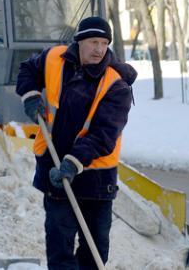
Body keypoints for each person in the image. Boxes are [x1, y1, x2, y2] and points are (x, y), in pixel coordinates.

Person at [15, 16, 136, 269]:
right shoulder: (54, 58)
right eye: (94, 41)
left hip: (96, 179)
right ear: (80, 41)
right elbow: (28, 69)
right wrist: (30, 95)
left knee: (95, 250)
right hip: (55, 169)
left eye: (104, 43)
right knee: (60, 250)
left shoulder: (116, 85)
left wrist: (72, 162)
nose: (99, 49)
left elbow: (104, 135)